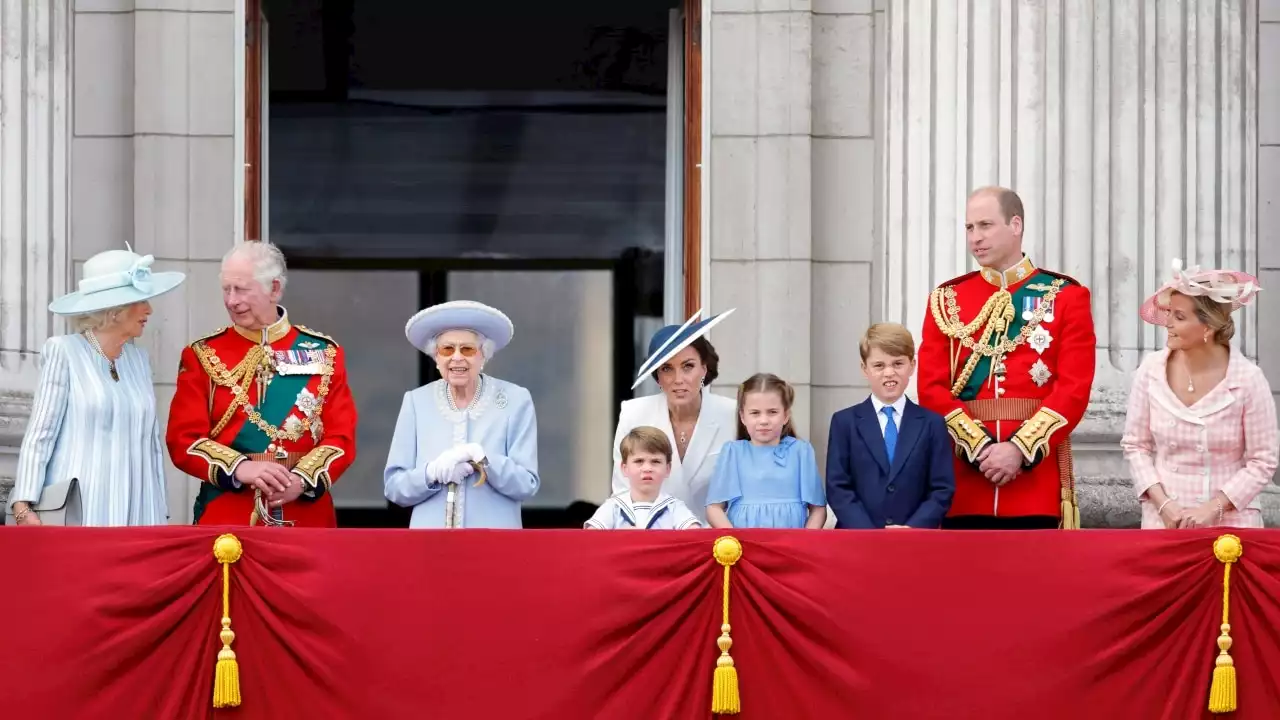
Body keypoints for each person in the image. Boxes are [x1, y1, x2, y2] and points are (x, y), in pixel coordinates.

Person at [917, 186, 1097, 530]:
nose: (975, 238)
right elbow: (931, 388)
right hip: (966, 483)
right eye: (969, 228)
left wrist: (1019, 450)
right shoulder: (947, 299)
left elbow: (1073, 389)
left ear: (1015, 225)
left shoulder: (1065, 296)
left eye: (985, 225)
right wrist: (980, 447)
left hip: (1034, 483)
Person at [166, 242, 357, 527]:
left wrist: (302, 479)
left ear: (275, 289)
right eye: (226, 289)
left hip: (305, 511)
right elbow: (183, 440)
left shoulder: (324, 352)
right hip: (228, 511)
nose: (231, 300)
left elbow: (341, 437)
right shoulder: (202, 354)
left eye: (241, 289)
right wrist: (242, 468)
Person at [6, 248, 184, 527]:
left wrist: (158, 509)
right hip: (81, 509)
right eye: (142, 300)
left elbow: (151, 445)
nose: (149, 310)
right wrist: (23, 505)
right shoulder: (64, 351)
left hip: (138, 509)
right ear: (115, 310)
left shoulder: (138, 360)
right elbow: (41, 433)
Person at [1121, 260, 1277, 529]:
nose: (1167, 323)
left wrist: (1213, 508)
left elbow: (1262, 460)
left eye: (1179, 317)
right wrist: (1164, 505)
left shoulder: (1248, 380)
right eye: (1169, 313)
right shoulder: (1150, 370)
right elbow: (1136, 446)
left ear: (1208, 327)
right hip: (1165, 522)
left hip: (1231, 525)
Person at [384, 300, 539, 528]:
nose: (457, 357)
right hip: (430, 545)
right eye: (447, 349)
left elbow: (527, 484)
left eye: (467, 349)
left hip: (494, 543)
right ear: (436, 357)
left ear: (483, 356)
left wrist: (484, 459)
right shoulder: (416, 402)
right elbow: (394, 487)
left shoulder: (515, 400)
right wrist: (430, 473)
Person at [611, 308, 738, 524]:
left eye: (688, 366)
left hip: (718, 542)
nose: (678, 379)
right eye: (667, 368)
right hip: (653, 539)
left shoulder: (732, 413)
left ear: (704, 369)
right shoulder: (634, 413)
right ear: (657, 377)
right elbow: (623, 492)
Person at [826, 323, 955, 529]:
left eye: (897, 364)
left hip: (913, 541)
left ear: (912, 365)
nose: (889, 372)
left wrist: (913, 528)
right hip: (858, 541)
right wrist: (870, 533)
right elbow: (838, 487)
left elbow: (941, 489)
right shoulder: (844, 422)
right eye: (879, 365)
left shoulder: (932, 423)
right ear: (864, 369)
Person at [705, 373, 826, 529]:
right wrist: (735, 540)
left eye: (772, 412)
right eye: (755, 413)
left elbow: (818, 509)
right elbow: (714, 508)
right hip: (744, 546)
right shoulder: (732, 453)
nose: (763, 420)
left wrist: (803, 544)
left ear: (786, 415)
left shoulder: (801, 452)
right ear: (742, 417)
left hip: (791, 546)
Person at [585, 426, 701, 529]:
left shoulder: (674, 508)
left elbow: (694, 535)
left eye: (655, 461)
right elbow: (592, 538)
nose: (647, 468)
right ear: (625, 468)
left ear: (667, 469)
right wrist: (618, 538)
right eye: (639, 461)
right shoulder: (613, 507)